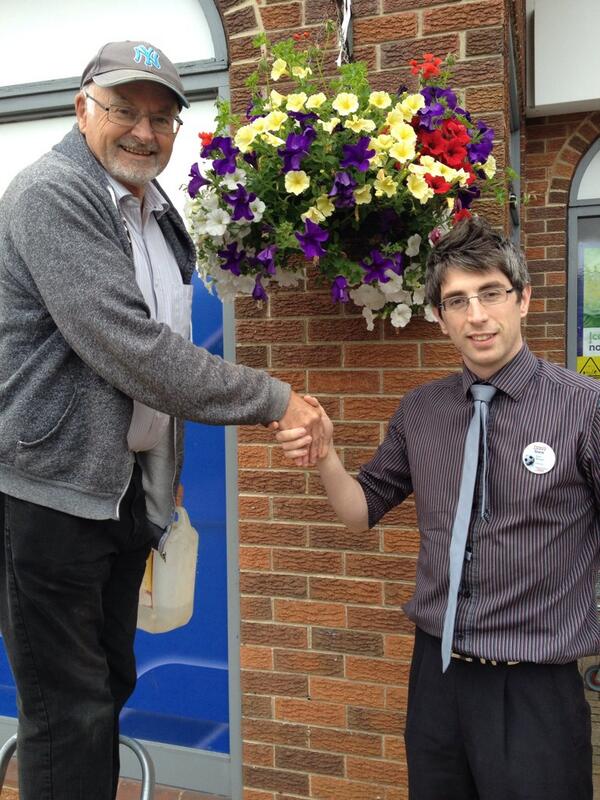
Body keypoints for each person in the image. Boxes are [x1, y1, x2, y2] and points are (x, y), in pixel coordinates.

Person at [0, 40, 324, 800]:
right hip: (46, 494)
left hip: (117, 494)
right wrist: (275, 399)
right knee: (68, 709)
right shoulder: (53, 194)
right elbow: (132, 349)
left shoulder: (155, 210)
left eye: (162, 118)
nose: (145, 132)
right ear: (83, 108)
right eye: (125, 110)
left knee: (109, 684)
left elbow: (168, 341)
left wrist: (161, 473)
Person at [276, 217, 600, 800]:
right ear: (439, 316)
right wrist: (325, 455)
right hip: (437, 678)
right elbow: (360, 511)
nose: (477, 315)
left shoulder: (584, 408)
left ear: (524, 299)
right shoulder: (421, 411)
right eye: (457, 301)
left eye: (491, 293)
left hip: (535, 686)